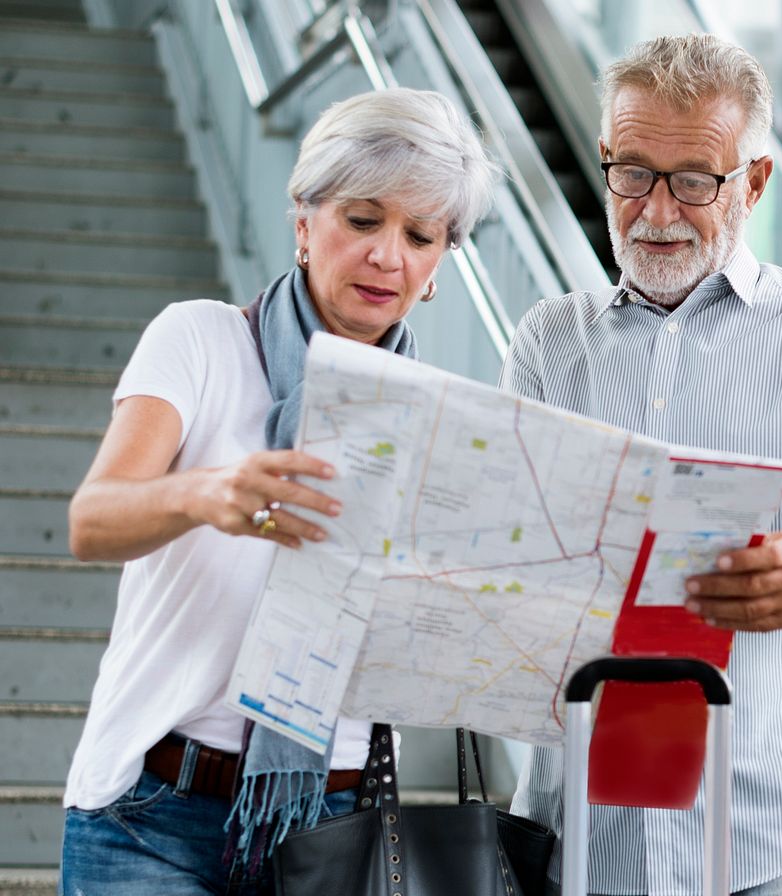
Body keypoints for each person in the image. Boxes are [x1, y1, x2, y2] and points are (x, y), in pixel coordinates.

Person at [500, 34, 782, 896]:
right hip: (593, 833)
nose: (655, 211)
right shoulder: (548, 339)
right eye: (632, 172)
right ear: (605, 159)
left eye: (693, 182)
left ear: (753, 182)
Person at [60, 87, 495, 895]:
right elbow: (92, 521)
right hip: (151, 816)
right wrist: (204, 493)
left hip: (333, 829)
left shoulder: (439, 417)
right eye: (362, 220)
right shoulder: (200, 340)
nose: (387, 256)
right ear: (304, 223)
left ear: (439, 264)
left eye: (419, 235)